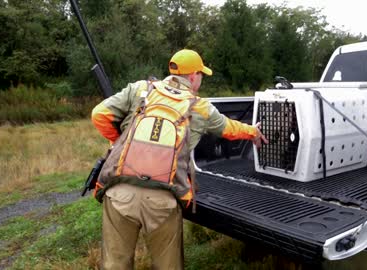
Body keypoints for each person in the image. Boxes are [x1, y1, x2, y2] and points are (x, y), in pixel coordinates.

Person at [91, 49, 268, 270]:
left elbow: (99, 114)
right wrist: (253, 132)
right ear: (193, 76)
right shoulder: (200, 107)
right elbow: (229, 128)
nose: (201, 79)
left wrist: (119, 142)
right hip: (163, 200)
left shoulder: (140, 89)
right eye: (201, 75)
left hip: (118, 193)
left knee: (114, 265)